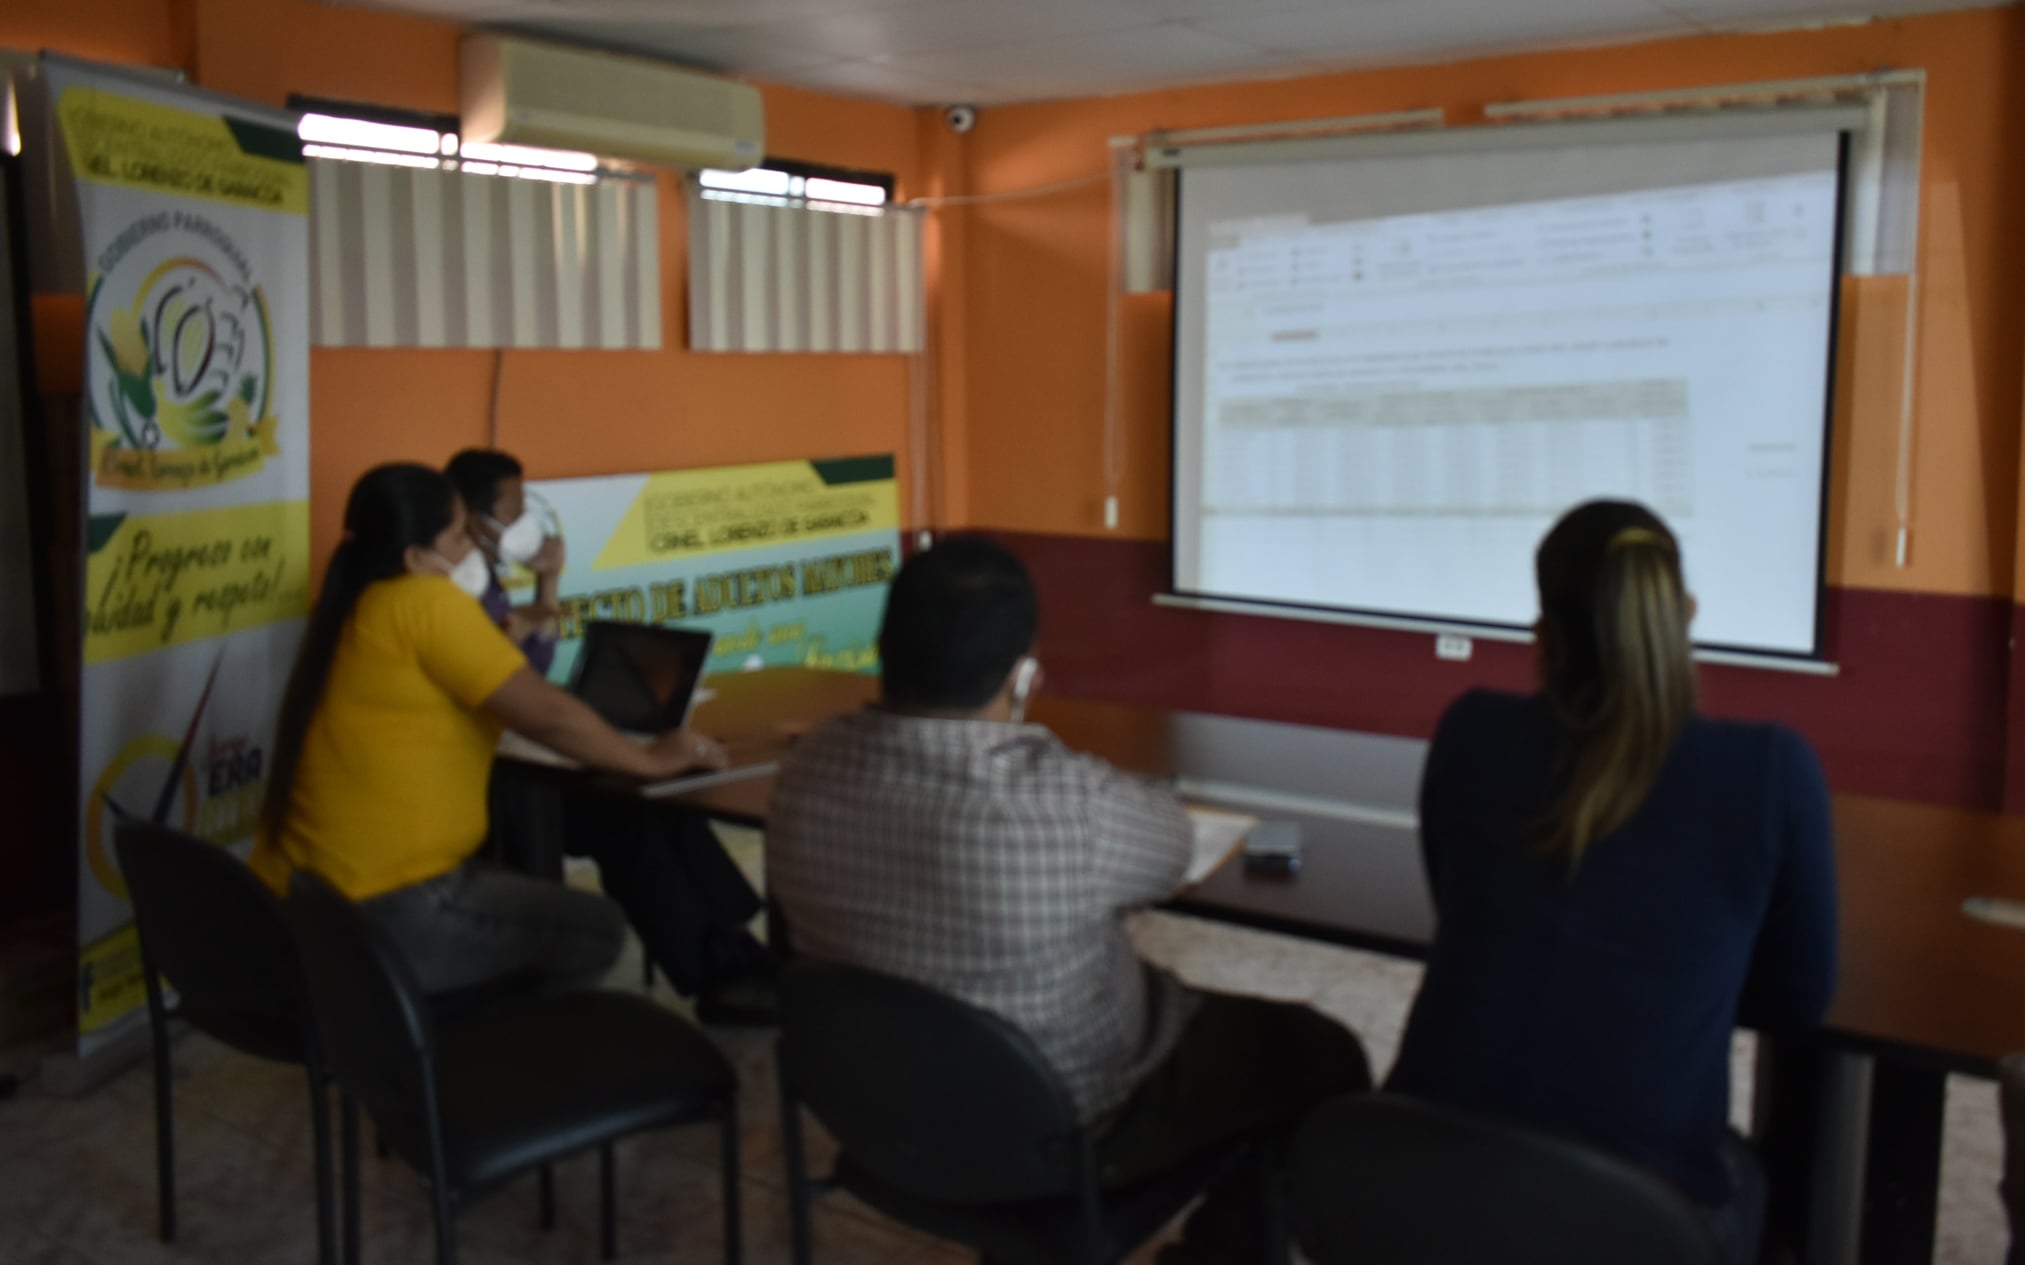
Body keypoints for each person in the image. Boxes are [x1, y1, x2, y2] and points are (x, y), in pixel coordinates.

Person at [768, 537, 1371, 1265]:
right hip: (1065, 1127)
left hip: (877, 1114)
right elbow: (1173, 852)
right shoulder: (1067, 807)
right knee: (1319, 1050)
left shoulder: (803, 770)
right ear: (1023, 677)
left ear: (883, 650)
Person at [1386, 500, 1838, 1265]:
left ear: (1545, 637)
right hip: (1635, 1216)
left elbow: (1456, 903)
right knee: (1771, 1186)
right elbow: (1794, 1001)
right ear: (1682, 615)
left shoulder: (1468, 730)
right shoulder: (1770, 770)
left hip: (1412, 1188)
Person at [250, 463, 729, 995]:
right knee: (596, 929)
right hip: (385, 902)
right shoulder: (424, 602)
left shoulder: (355, 606)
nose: (470, 548)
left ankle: (729, 964)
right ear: (415, 558)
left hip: (312, 904)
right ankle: (495, 1040)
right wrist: (650, 759)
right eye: (458, 536)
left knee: (600, 836)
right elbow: (545, 714)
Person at [446, 448, 776, 1020]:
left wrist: (548, 583)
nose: (526, 521)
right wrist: (641, 758)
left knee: (658, 803)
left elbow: (533, 664)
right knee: (627, 819)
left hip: (514, 752)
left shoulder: (486, 581)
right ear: (471, 519)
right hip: (491, 781)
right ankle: (714, 977)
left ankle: (736, 944)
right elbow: (512, 687)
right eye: (514, 509)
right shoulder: (448, 597)